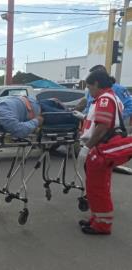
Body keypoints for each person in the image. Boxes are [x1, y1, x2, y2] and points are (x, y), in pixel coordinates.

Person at [77, 70, 132, 235]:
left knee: (97, 188)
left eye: (89, 87)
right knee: (98, 186)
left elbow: (102, 126)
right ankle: (97, 219)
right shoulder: (110, 98)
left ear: (96, 84)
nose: (88, 90)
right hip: (103, 146)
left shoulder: (104, 100)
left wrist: (87, 147)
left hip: (101, 147)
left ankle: (102, 225)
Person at [0, 96, 78, 138]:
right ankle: (80, 113)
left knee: (58, 102)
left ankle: (76, 110)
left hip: (38, 102)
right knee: (75, 117)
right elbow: (19, 130)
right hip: (42, 113)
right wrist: (37, 121)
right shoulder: (1, 113)